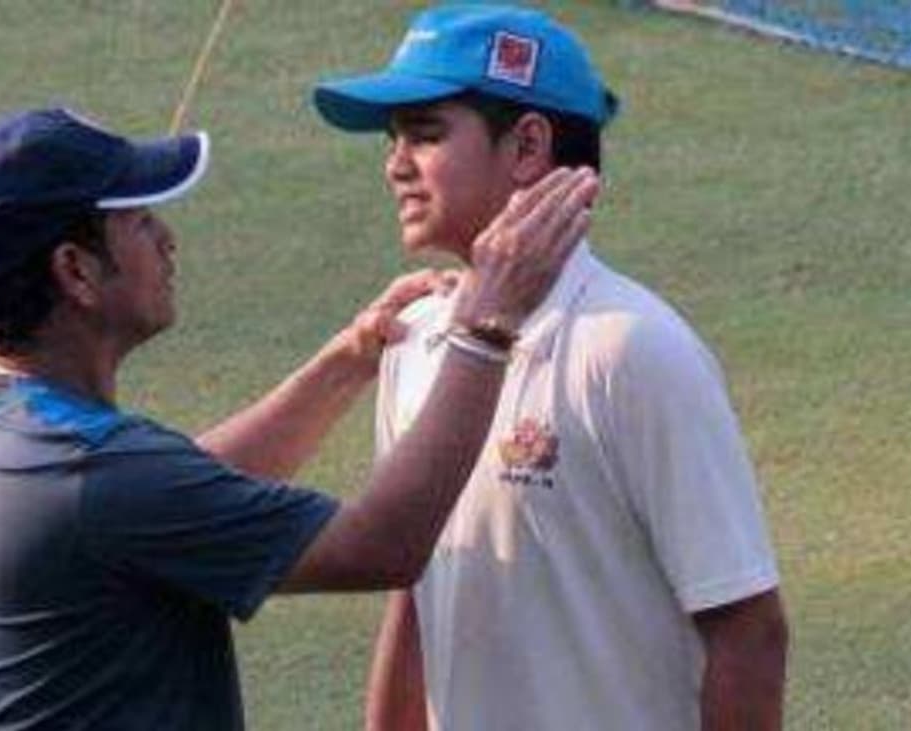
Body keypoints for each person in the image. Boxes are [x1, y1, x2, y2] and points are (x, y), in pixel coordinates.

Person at [0, 106, 597, 729]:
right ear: (76, 270)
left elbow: (173, 496)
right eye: (139, 221)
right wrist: (485, 325)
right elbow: (381, 545)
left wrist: (344, 362)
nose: (167, 240)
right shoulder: (95, 481)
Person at [313, 4, 789, 730]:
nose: (395, 164)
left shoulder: (632, 348)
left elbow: (750, 629)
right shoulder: (415, 342)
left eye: (426, 134)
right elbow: (415, 594)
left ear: (528, 144)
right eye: (393, 138)